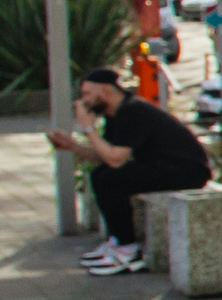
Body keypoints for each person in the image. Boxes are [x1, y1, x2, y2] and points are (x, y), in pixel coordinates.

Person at [48, 66, 212, 276]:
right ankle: (117, 241)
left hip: (186, 171)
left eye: (87, 94)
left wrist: (88, 128)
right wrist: (72, 146)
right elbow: (107, 155)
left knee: (111, 180)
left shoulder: (132, 111)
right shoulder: (116, 113)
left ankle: (128, 250)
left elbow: (116, 160)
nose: (83, 101)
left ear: (106, 91)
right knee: (100, 175)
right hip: (162, 166)